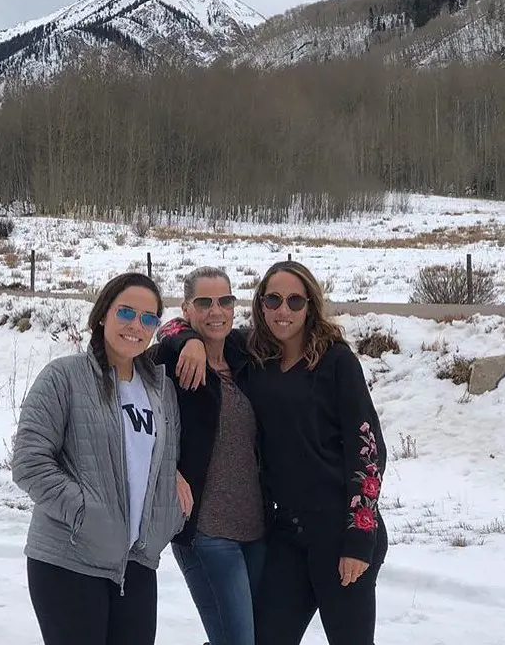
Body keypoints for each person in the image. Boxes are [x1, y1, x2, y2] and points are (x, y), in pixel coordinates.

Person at [160, 260, 388, 645]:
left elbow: (368, 451)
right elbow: (173, 327)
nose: (284, 310)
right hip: (288, 534)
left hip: (339, 530)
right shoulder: (252, 353)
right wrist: (190, 341)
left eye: (295, 301)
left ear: (310, 305)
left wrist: (359, 540)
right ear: (261, 305)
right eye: (274, 300)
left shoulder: (336, 361)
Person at [11, 272, 192, 645]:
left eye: (148, 318)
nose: (135, 325)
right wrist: (86, 515)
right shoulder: (64, 377)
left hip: (136, 565)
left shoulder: (161, 391)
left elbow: (162, 460)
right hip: (69, 559)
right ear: (103, 315)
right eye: (126, 312)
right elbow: (30, 462)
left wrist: (169, 504)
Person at [154, 266, 269, 645]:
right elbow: (135, 424)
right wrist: (166, 469)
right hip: (204, 530)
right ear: (186, 309)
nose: (215, 311)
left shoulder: (245, 355)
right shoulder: (167, 363)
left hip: (255, 527)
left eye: (224, 301)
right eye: (203, 302)